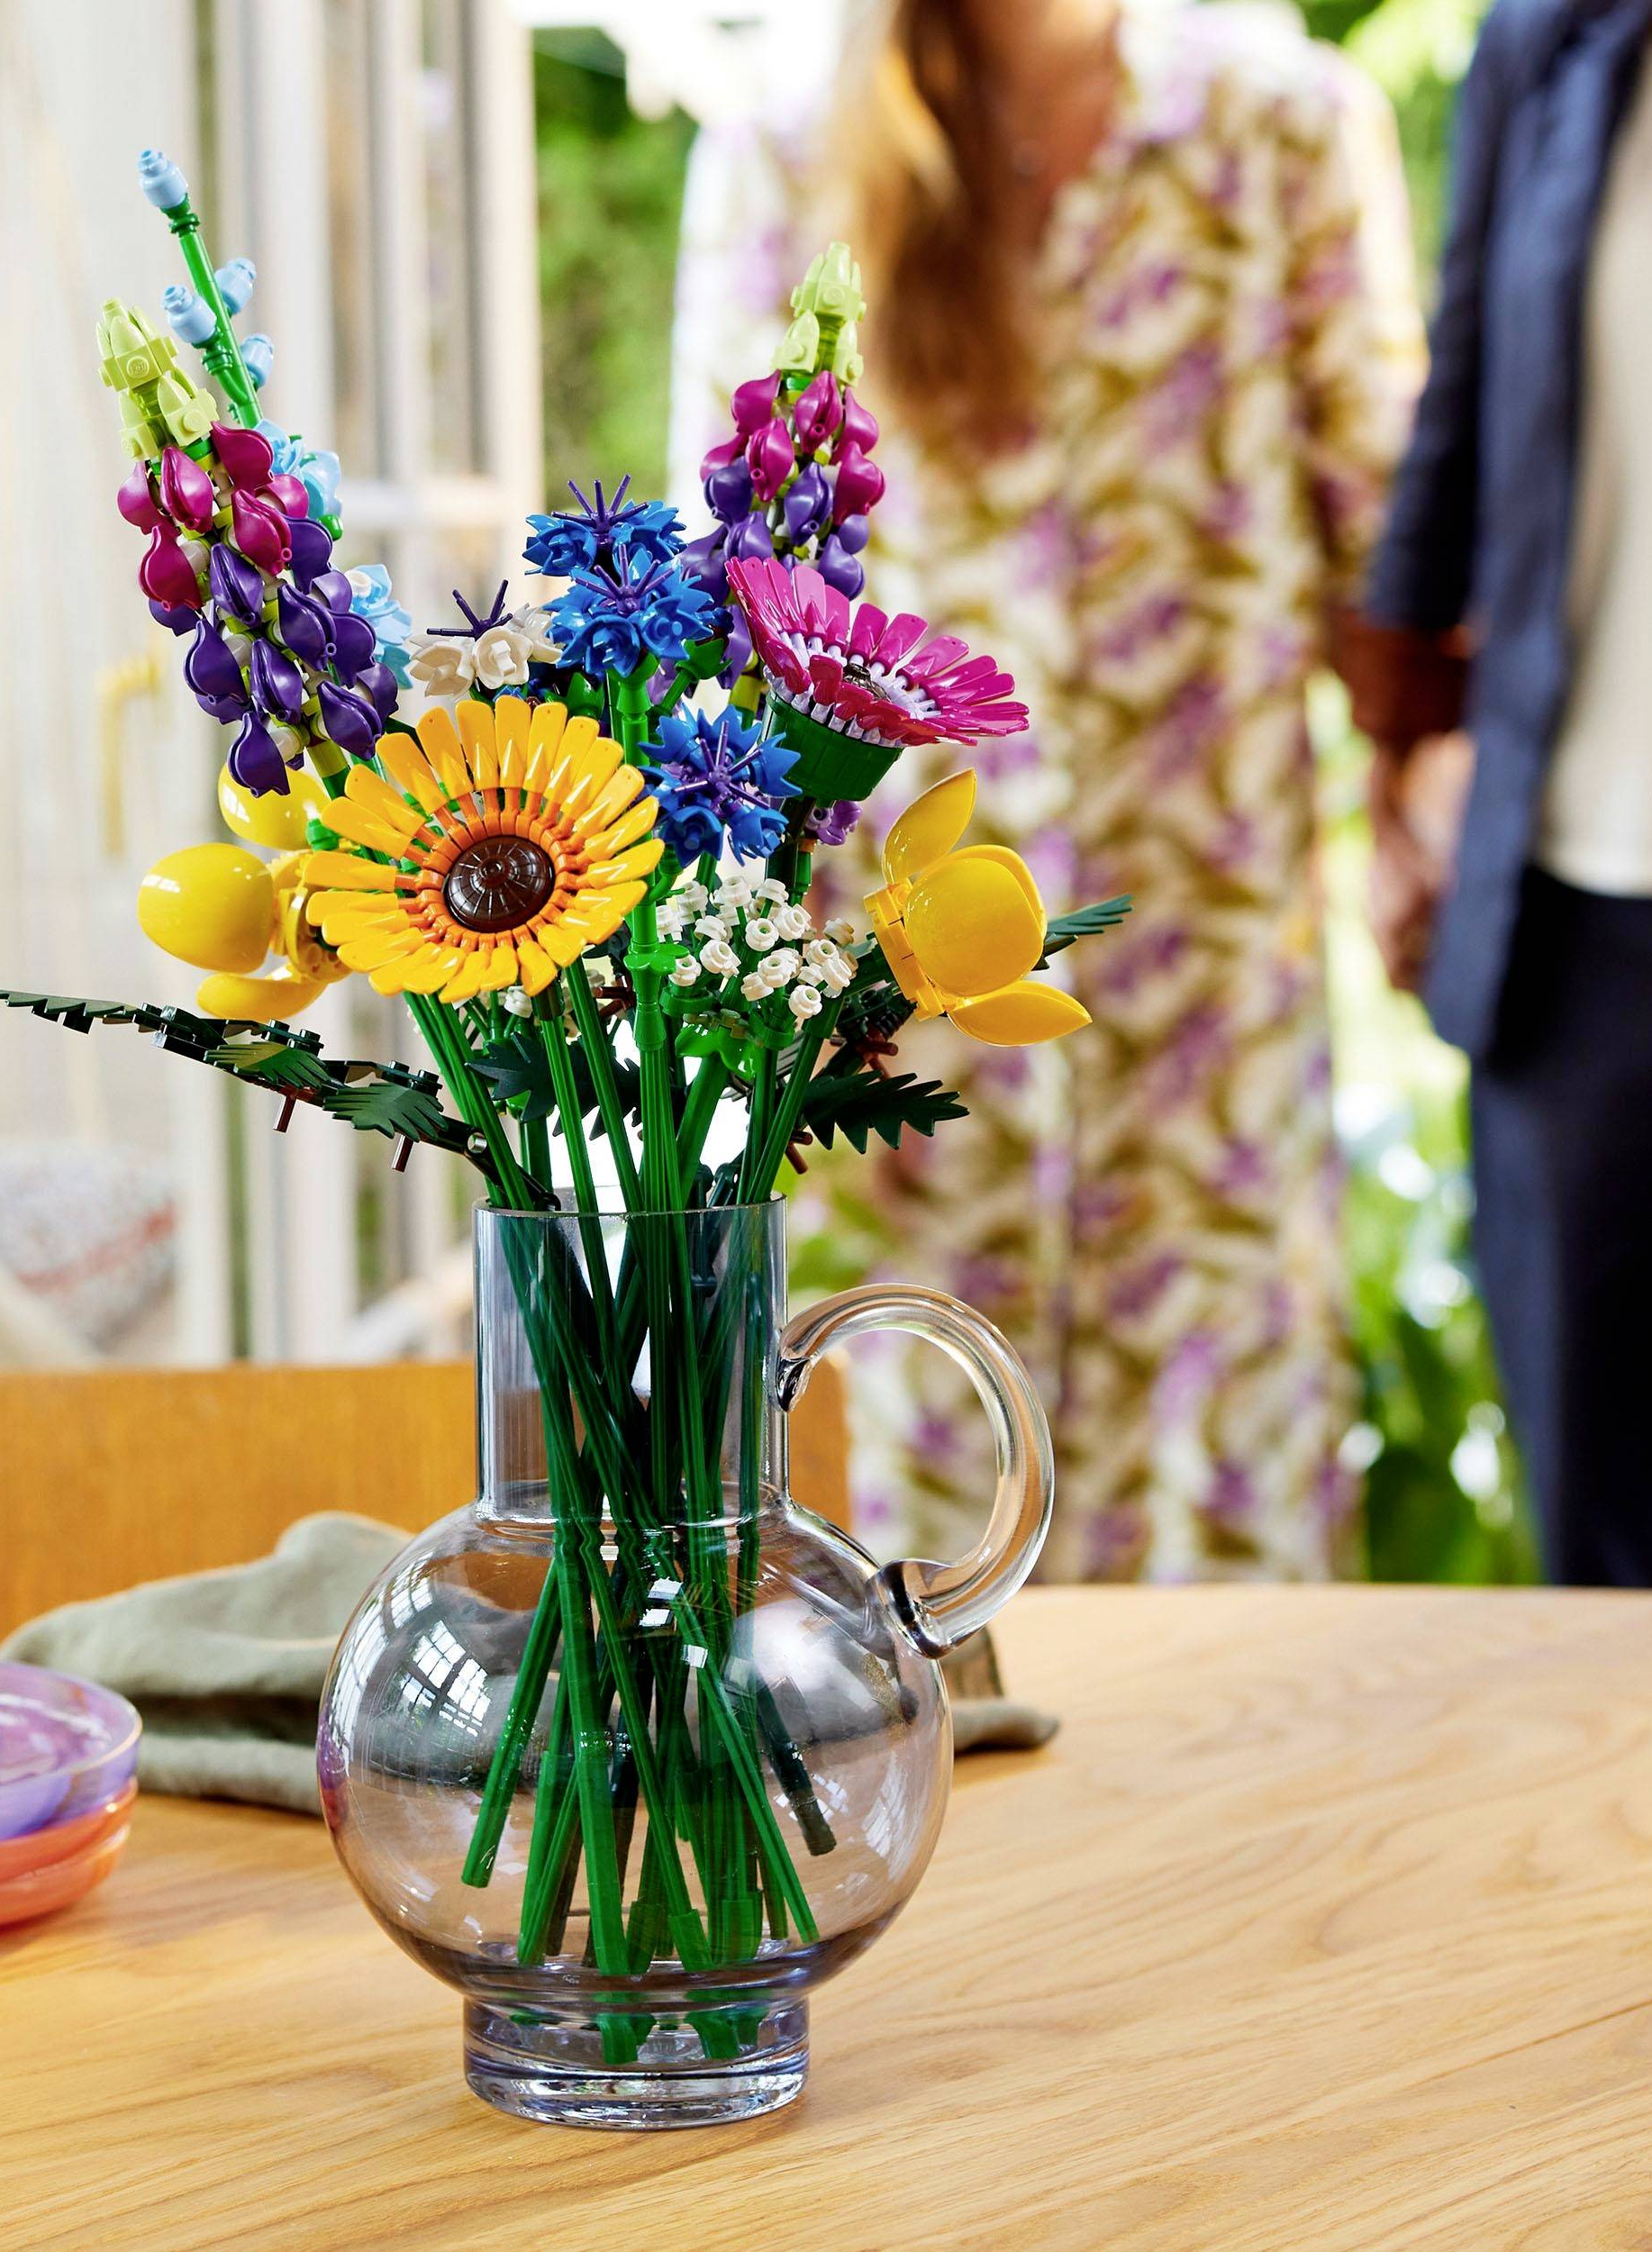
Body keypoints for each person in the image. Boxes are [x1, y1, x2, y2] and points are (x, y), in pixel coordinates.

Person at [672, 0, 1423, 1578]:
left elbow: (1390, 567)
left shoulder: (1281, 127)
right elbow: (727, 594)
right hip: (892, 995)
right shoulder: (781, 140)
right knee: (887, 1562)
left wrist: (1426, 815)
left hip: (1204, 1005)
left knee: (1224, 1572)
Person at [1360, 0, 1652, 1585]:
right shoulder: (1556, 41)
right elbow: (1459, 419)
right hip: (1576, 911)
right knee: (1601, 1560)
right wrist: (1401, 762)